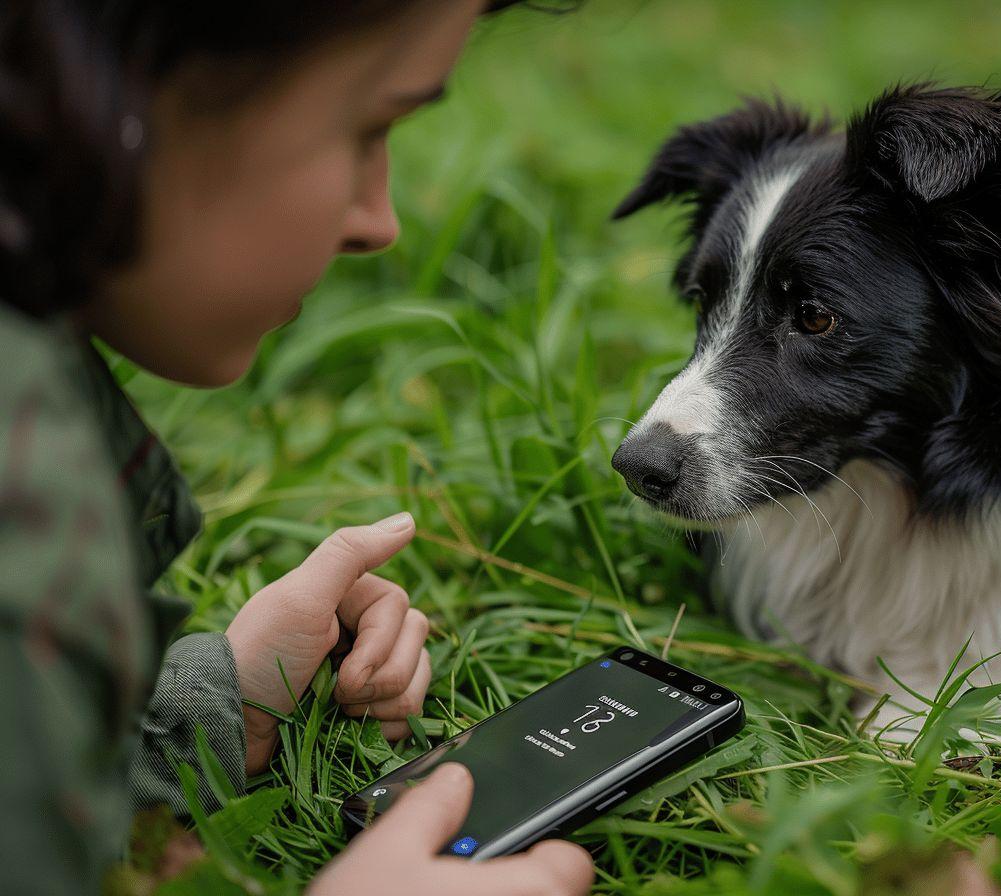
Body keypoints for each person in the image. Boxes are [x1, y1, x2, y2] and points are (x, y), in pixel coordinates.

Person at [0, 1, 595, 893]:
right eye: (369, 128)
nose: (378, 219)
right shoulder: (23, 500)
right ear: (133, 72)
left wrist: (219, 706)